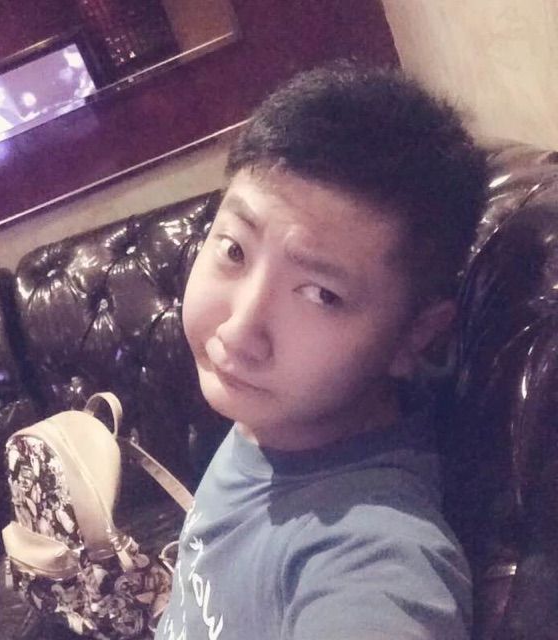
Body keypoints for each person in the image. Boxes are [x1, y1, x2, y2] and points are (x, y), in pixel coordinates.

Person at [156, 60, 487, 640]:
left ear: (415, 335)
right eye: (234, 250)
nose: (239, 331)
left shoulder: (374, 554)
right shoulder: (272, 423)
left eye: (320, 294)